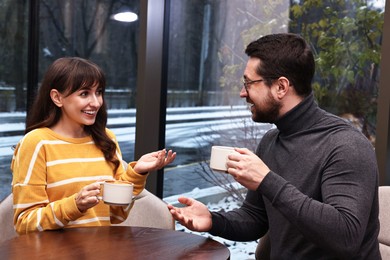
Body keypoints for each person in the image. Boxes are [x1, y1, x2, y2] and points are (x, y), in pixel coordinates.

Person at [167, 33, 380, 259]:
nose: (242, 93)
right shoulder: (271, 141)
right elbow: (255, 218)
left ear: (281, 87)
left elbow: (346, 236)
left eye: (249, 83)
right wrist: (212, 220)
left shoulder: (346, 145)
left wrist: (267, 181)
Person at [11, 57, 176, 234]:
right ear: (57, 97)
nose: (96, 102)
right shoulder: (36, 143)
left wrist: (137, 173)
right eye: (84, 93)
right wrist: (74, 205)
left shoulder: (106, 139)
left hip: (99, 250)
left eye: (98, 92)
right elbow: (25, 224)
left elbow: (117, 215)